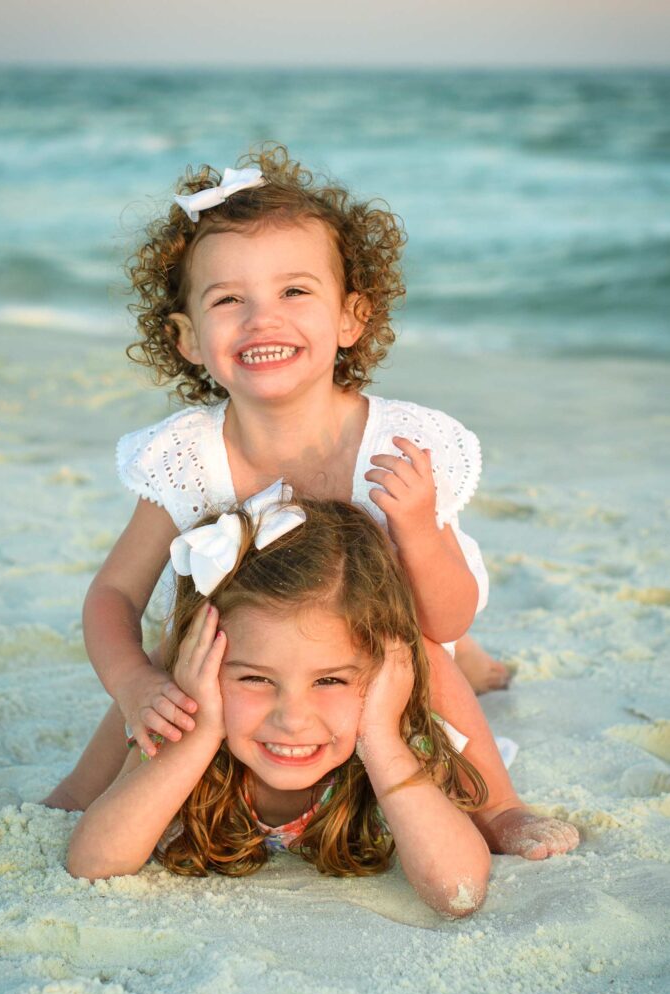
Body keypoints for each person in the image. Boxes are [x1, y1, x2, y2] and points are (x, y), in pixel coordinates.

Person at [47, 145, 578, 861]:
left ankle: (501, 803)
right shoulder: (189, 457)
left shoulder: (397, 444)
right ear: (187, 340)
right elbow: (113, 593)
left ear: (350, 317)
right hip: (267, 649)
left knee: (425, 646)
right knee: (175, 654)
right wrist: (135, 682)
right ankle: (83, 788)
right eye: (228, 299)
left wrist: (417, 531)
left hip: (392, 622)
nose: (262, 318)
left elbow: (442, 613)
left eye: (295, 292)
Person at [67, 488, 493, 918]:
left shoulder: (400, 741)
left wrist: (381, 738)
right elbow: (93, 862)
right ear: (203, 666)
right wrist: (200, 738)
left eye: (329, 680)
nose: (292, 718)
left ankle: (474, 661)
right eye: (255, 678)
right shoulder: (180, 727)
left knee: (439, 658)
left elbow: (458, 891)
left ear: (381, 676)